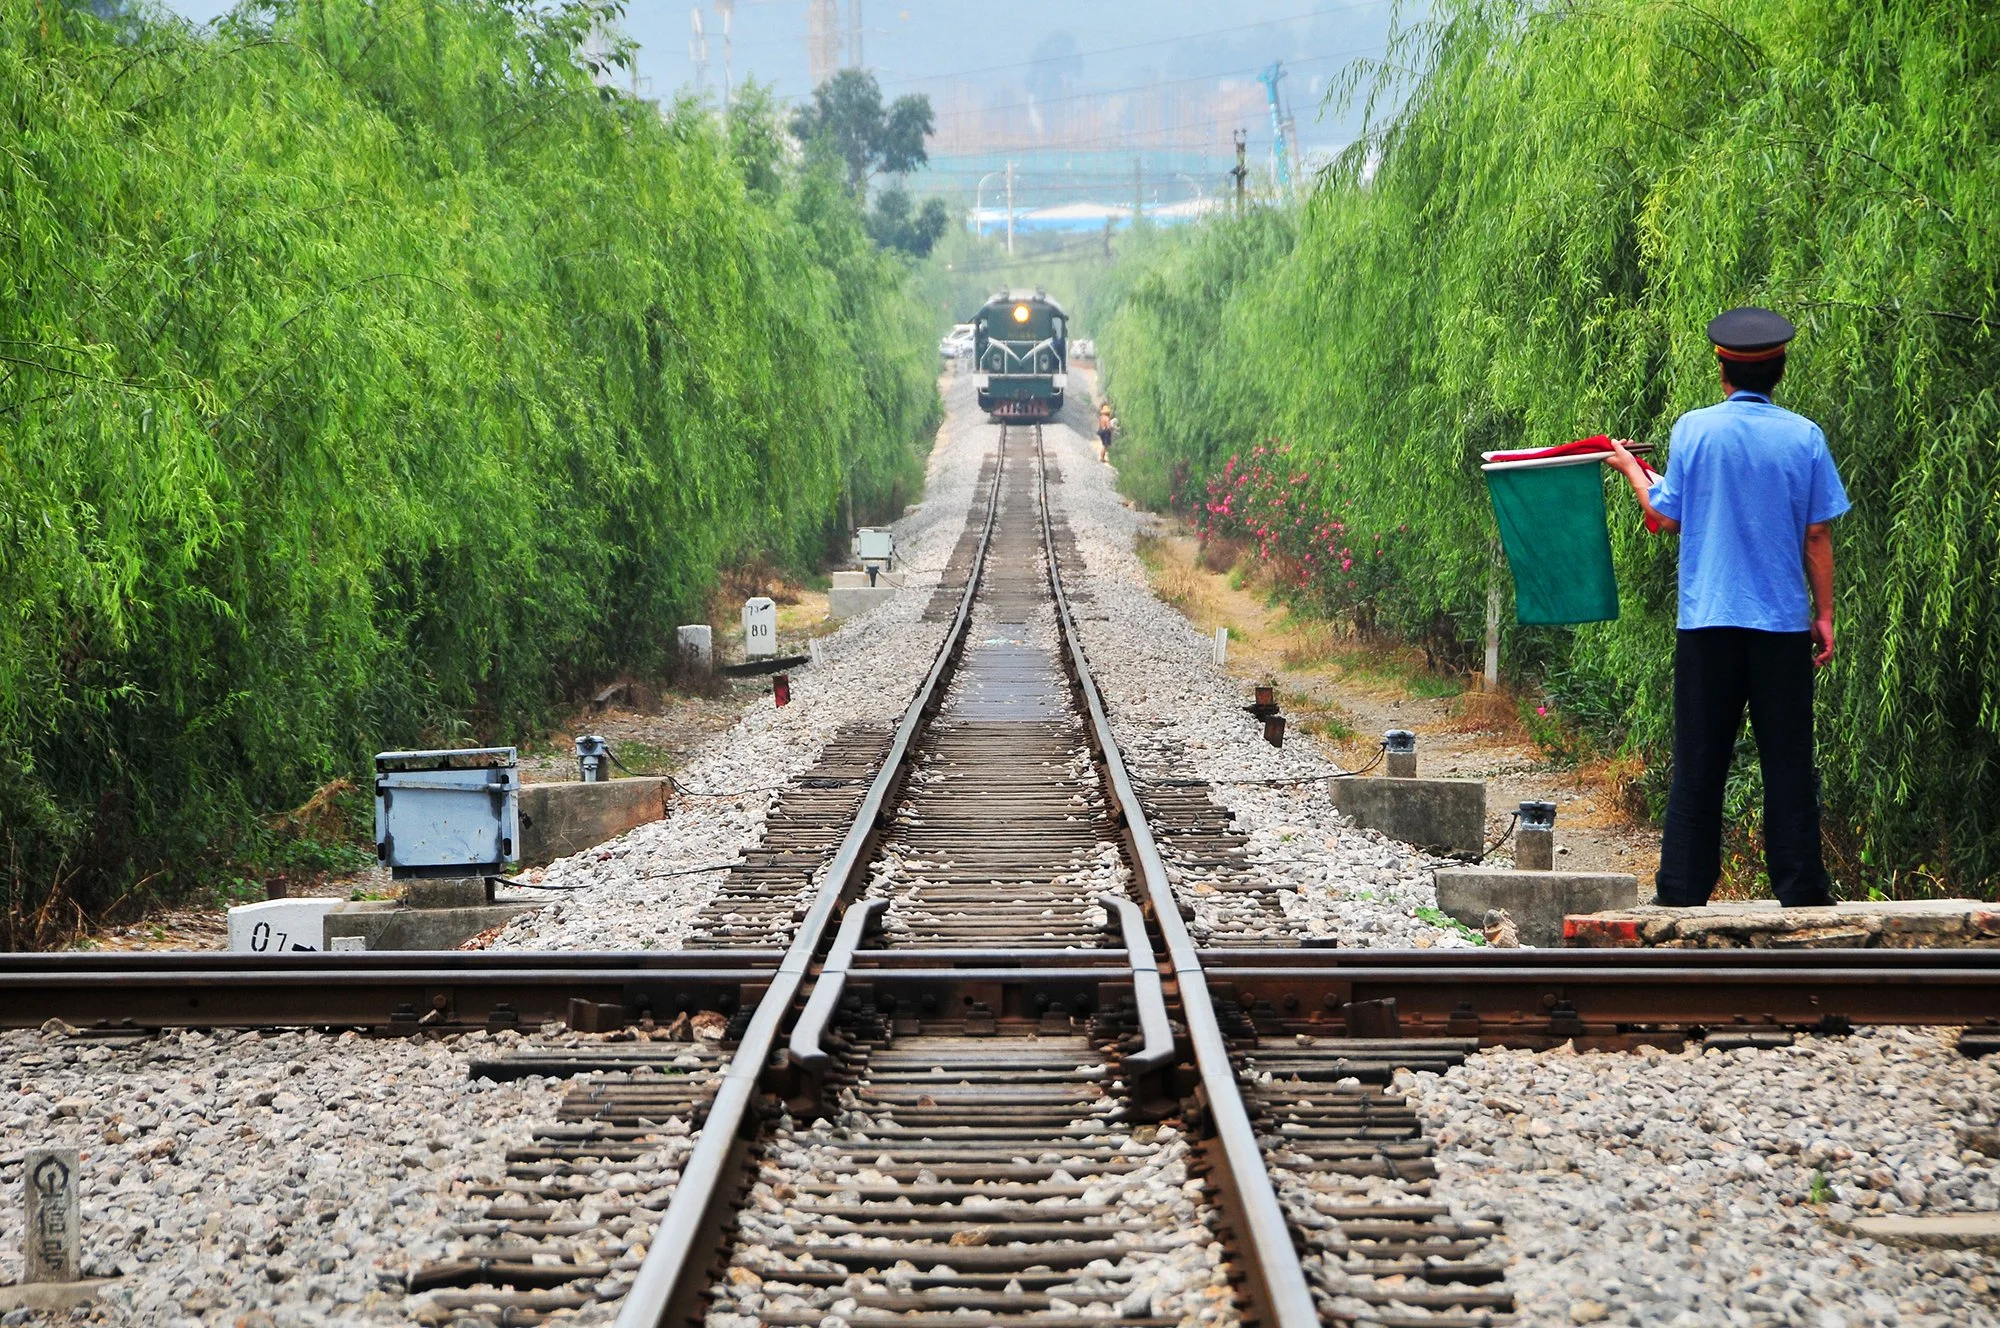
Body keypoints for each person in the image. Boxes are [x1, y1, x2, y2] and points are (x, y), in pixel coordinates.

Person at [1605, 307, 1851, 908]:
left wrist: (1632, 469)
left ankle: (1682, 890)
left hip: (1707, 626)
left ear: (1722, 369)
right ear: (1780, 370)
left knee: (1699, 760)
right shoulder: (1805, 437)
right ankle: (1802, 890)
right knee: (1788, 763)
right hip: (1780, 629)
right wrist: (1824, 615)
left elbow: (1665, 514)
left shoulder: (1694, 430)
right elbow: (1817, 535)